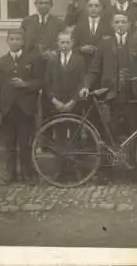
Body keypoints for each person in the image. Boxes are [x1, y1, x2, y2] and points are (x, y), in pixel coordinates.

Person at [80, 13, 137, 140]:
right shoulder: (104, 43)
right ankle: (109, 158)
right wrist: (86, 86)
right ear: (112, 25)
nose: (120, 25)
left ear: (129, 25)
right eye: (117, 22)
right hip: (111, 95)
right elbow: (94, 69)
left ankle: (133, 158)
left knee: (134, 132)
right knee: (110, 132)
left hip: (132, 95)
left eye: (123, 22)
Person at [0, 29, 42, 185]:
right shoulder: (1, 61)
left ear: (23, 42)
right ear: (7, 41)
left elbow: (39, 82)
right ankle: (10, 174)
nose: (15, 42)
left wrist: (25, 84)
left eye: (18, 39)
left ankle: (27, 174)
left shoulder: (31, 60)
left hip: (25, 109)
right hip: (7, 110)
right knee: (9, 145)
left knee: (25, 144)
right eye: (12, 39)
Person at [43, 30, 87, 182]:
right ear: (58, 43)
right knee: (60, 138)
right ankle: (60, 171)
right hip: (57, 105)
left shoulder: (79, 60)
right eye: (62, 42)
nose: (65, 45)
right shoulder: (52, 61)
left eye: (67, 42)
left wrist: (73, 101)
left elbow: (82, 82)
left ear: (72, 43)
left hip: (73, 105)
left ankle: (75, 171)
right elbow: (47, 84)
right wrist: (54, 100)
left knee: (75, 137)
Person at [20, 0, 66, 127]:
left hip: (51, 69)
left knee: (49, 103)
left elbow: (64, 44)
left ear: (51, 5)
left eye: (46, 3)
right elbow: (22, 45)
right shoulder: (27, 22)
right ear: (35, 4)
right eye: (40, 3)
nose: (43, 6)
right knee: (30, 105)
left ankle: (48, 139)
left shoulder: (58, 23)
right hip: (32, 70)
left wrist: (54, 52)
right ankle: (33, 140)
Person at [72, 0, 113, 88]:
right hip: (84, 68)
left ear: (101, 8)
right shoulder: (79, 26)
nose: (93, 9)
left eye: (96, 6)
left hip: (102, 69)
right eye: (90, 6)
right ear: (86, 8)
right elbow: (72, 47)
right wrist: (81, 49)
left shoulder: (108, 25)